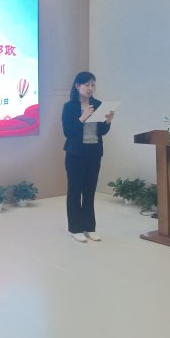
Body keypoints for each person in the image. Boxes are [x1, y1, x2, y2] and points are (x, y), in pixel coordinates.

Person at [61, 71, 114, 243]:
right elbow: (68, 132)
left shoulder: (98, 105)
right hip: (75, 155)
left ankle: (89, 228)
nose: (90, 88)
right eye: (87, 85)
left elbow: (102, 132)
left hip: (94, 153)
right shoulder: (70, 107)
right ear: (78, 86)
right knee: (75, 192)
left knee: (90, 192)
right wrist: (82, 118)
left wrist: (108, 121)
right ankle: (75, 228)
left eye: (93, 85)